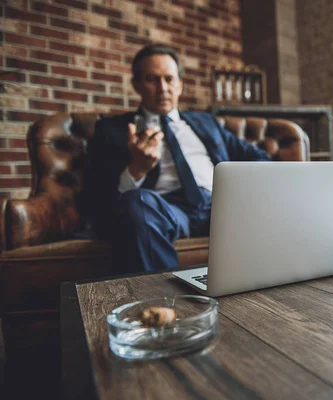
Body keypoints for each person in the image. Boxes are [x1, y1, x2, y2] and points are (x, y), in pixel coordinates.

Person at [83, 44, 270, 272]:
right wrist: (136, 170)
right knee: (138, 201)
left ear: (180, 84)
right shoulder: (112, 130)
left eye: (169, 79)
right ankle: (164, 301)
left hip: (220, 206)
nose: (163, 88)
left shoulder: (207, 123)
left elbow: (259, 158)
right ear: (136, 85)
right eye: (152, 79)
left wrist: (239, 190)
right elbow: (98, 196)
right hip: (167, 210)